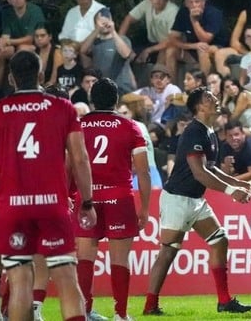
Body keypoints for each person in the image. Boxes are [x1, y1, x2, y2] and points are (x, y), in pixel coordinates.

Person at [0, 50, 96, 321]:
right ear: (40, 75)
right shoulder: (63, 108)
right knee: (66, 277)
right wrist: (87, 201)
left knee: (20, 280)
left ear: (11, 78)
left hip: (13, 208)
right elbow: (80, 159)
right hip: (53, 206)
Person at [142, 87, 251, 316]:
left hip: (195, 200)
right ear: (199, 107)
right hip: (178, 199)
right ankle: (150, 306)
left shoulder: (209, 130)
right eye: (209, 97)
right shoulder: (195, 131)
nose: (215, 98)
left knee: (220, 240)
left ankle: (224, 301)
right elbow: (199, 173)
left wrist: (238, 183)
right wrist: (231, 190)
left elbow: (210, 168)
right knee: (168, 252)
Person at [76, 78, 151, 321]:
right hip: (119, 197)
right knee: (120, 259)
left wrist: (68, 194)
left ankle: (85, 312)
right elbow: (143, 171)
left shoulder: (79, 125)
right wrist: (146, 208)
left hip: (87, 196)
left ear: (92, 99)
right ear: (116, 100)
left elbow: (69, 164)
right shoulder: (130, 126)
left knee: (85, 258)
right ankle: (120, 314)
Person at [164, 0, 229, 77]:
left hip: (216, 47)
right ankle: (172, 88)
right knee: (170, 51)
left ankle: (203, 87)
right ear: (186, 3)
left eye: (197, 2)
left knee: (202, 50)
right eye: (191, 2)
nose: (194, 5)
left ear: (203, 2)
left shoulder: (213, 13)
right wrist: (192, 46)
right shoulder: (183, 12)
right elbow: (173, 38)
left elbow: (205, 40)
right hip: (193, 47)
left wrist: (194, 20)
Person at [0, 0, 46, 88]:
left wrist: (7, 42)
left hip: (35, 45)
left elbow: (30, 39)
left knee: (22, 49)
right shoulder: (6, 12)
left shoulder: (35, 11)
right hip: (14, 45)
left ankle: (22, 86)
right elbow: (6, 35)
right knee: (0, 52)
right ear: (8, 0)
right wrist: (0, 42)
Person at [118, 0, 179, 65]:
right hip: (151, 42)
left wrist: (148, 50)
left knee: (162, 54)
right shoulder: (147, 3)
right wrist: (120, 40)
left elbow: (172, 40)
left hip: (166, 44)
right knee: (127, 53)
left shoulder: (173, 11)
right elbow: (128, 19)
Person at [80, 7, 136, 95]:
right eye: (101, 22)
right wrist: (97, 30)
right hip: (103, 89)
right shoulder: (94, 42)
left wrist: (113, 31)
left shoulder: (123, 39)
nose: (104, 25)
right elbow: (83, 50)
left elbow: (125, 54)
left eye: (106, 21)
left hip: (122, 88)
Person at [33, 22, 62, 87]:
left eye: (42, 35)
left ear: (50, 36)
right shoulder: (33, 52)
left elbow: (53, 80)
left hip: (52, 88)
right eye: (36, 36)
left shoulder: (57, 52)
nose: (39, 39)